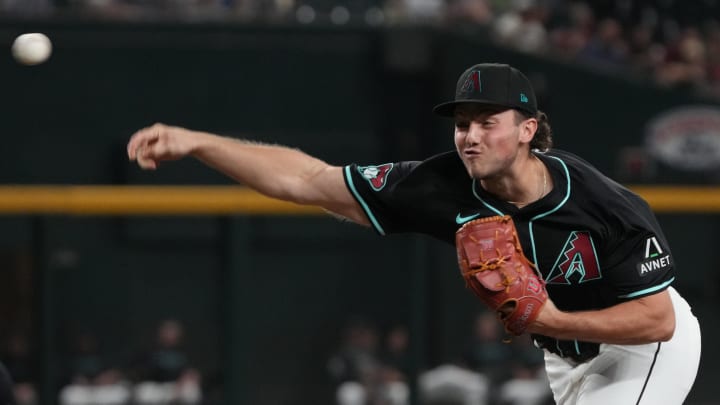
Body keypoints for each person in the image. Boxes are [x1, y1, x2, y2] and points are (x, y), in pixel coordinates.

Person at [127, 62, 701, 404]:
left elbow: (657, 319)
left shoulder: (603, 202)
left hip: (644, 344)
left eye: (487, 123)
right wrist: (199, 142)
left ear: (528, 129)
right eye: (461, 123)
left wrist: (549, 320)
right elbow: (307, 179)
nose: (470, 136)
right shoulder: (439, 185)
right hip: (566, 357)